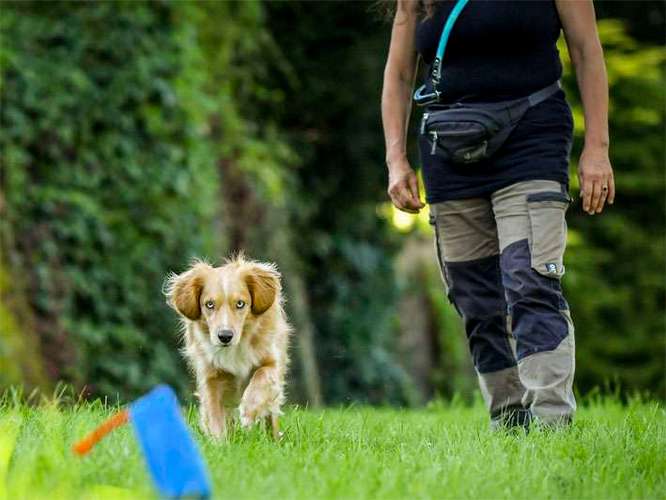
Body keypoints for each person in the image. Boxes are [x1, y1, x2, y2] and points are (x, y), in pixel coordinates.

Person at [381, 0, 614, 428]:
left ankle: (550, 422)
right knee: (474, 296)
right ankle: (508, 420)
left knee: (530, 278)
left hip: (531, 136)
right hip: (448, 145)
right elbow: (398, 73)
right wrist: (396, 160)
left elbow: (586, 51)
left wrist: (597, 149)